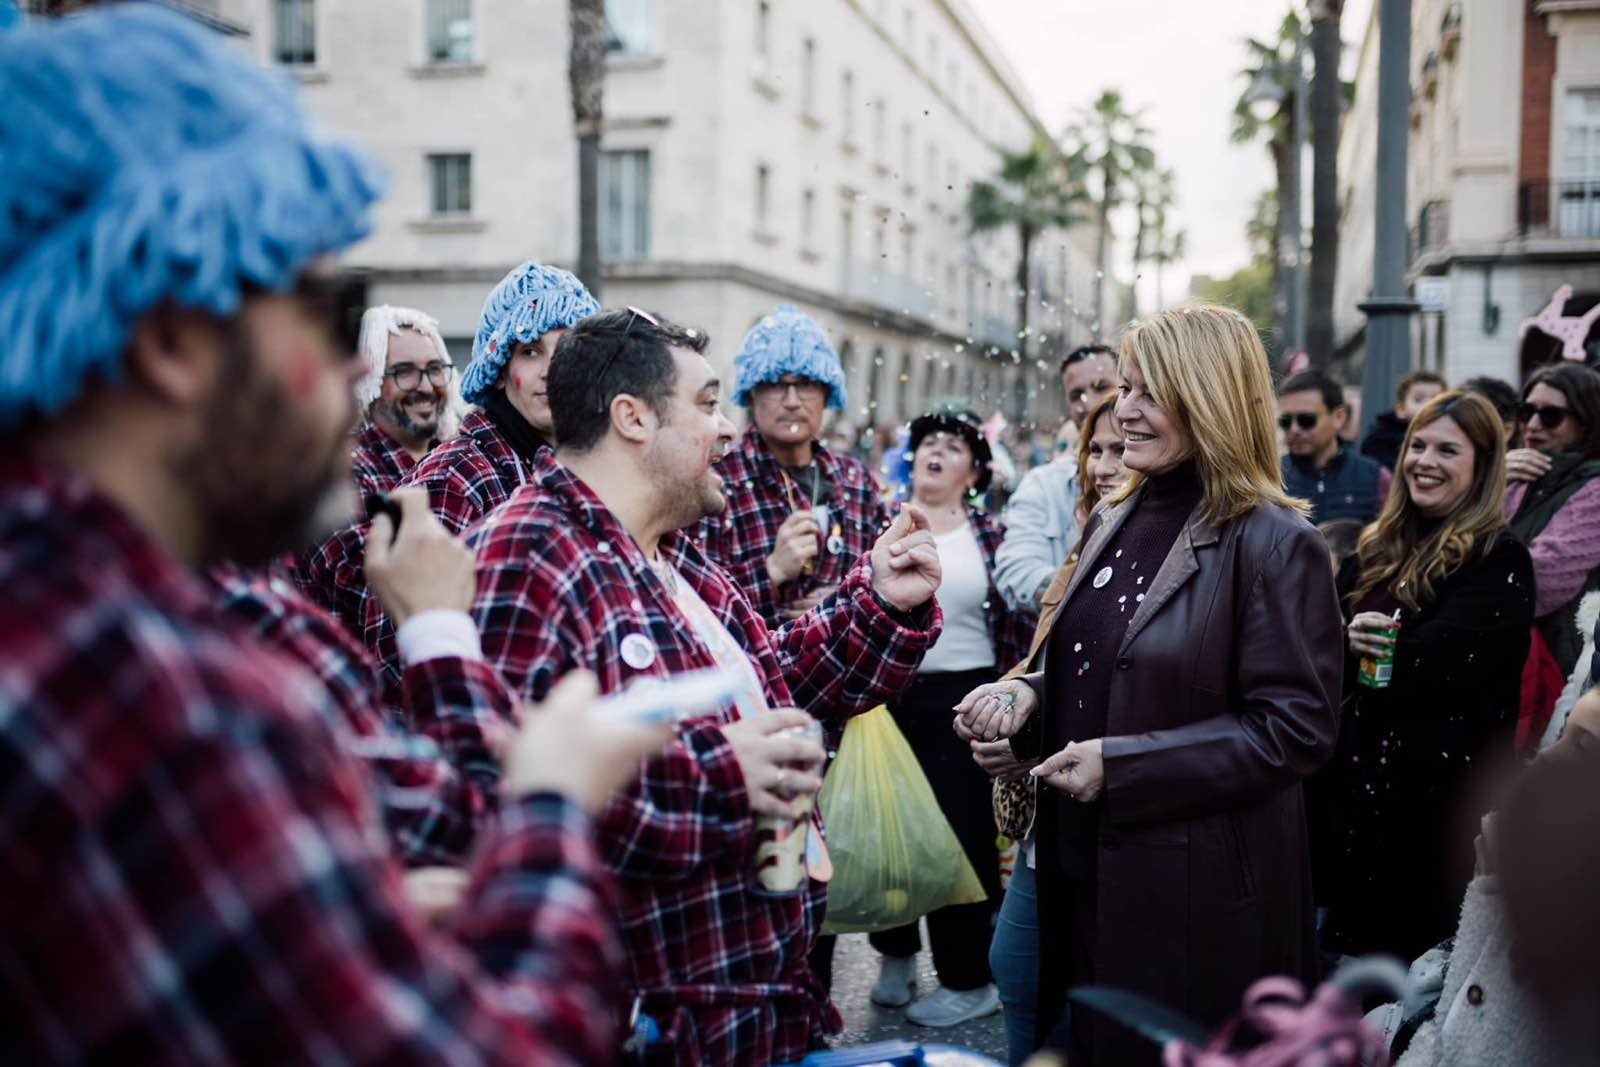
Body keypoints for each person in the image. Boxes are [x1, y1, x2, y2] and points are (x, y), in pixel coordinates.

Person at [0, 8, 674, 1063]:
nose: (365, 367)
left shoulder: (117, 603)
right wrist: (549, 803)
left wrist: (374, 908)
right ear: (175, 339)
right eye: (324, 306)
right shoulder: (146, 686)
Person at [464, 308, 945, 1066]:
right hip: (651, 1031)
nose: (728, 429)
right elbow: (506, 809)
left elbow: (780, 683)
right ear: (633, 418)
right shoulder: (525, 557)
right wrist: (722, 777)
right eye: (709, 403)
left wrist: (880, 603)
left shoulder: (675, 555)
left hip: (754, 1015)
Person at [958, 304, 1343, 1066]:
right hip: (1079, 875)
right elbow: (1096, 655)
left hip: (1189, 900)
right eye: (1124, 387)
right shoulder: (1117, 512)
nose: (1123, 409)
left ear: (1208, 398)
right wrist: (1031, 696)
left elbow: (1295, 730)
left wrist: (1123, 768)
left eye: (1147, 391)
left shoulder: (1273, 541)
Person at [1313, 391, 1534, 963]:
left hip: (1430, 817)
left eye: (1447, 450)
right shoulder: (1376, 548)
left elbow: (1430, 668)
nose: (1424, 461)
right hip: (1350, 806)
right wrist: (1344, 642)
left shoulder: (1498, 558)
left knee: (1397, 999)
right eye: (1418, 445)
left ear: (1483, 466)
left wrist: (1365, 652)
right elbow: (1316, 654)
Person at [868, 409, 1032, 1028]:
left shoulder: (991, 532)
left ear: (974, 468)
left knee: (962, 837)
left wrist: (1013, 695)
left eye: (953, 445)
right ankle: (895, 955)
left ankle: (967, 978)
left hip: (967, 697)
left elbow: (1018, 617)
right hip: (889, 693)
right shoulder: (880, 517)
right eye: (927, 441)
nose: (936, 450)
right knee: (890, 829)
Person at [980, 392, 1128, 1066]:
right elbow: (1059, 677)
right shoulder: (1082, 553)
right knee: (1015, 965)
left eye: (1119, 449)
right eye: (1093, 450)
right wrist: (1014, 709)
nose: (1102, 466)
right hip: (1051, 818)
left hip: (1118, 827)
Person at [697, 305, 892, 629]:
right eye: (775, 384)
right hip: (757, 669)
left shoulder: (857, 481)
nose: (791, 400)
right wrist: (770, 572)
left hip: (850, 672)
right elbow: (692, 606)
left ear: (826, 393)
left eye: (805, 384)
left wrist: (852, 599)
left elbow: (893, 583)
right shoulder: (715, 479)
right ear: (752, 393)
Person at [993, 345, 1118, 615]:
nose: (1088, 402)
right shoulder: (1044, 484)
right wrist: (1102, 595)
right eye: (1077, 395)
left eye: (1101, 387)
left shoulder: (1158, 475)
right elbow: (1016, 572)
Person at [1503, 363, 1600, 678]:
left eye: (1551, 415)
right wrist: (1491, 479)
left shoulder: (1596, 488)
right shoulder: (1518, 473)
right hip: (1506, 649)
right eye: (1526, 410)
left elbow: (1539, 580)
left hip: (1557, 666)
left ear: (1586, 421)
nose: (1532, 424)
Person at [351, 303, 458, 498]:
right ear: (370, 381)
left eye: (435, 368)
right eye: (405, 371)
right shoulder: (350, 475)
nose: (426, 387)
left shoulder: (461, 459)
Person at [1279, 370, 1392, 526]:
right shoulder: (1270, 478)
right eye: (1285, 421)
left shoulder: (1376, 477)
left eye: (1306, 420)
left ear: (1339, 417)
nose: (1294, 429)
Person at [1360, 370, 1447, 472]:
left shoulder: (1452, 437)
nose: (1428, 405)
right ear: (1401, 409)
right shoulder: (1380, 441)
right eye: (1418, 399)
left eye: (1437, 400)